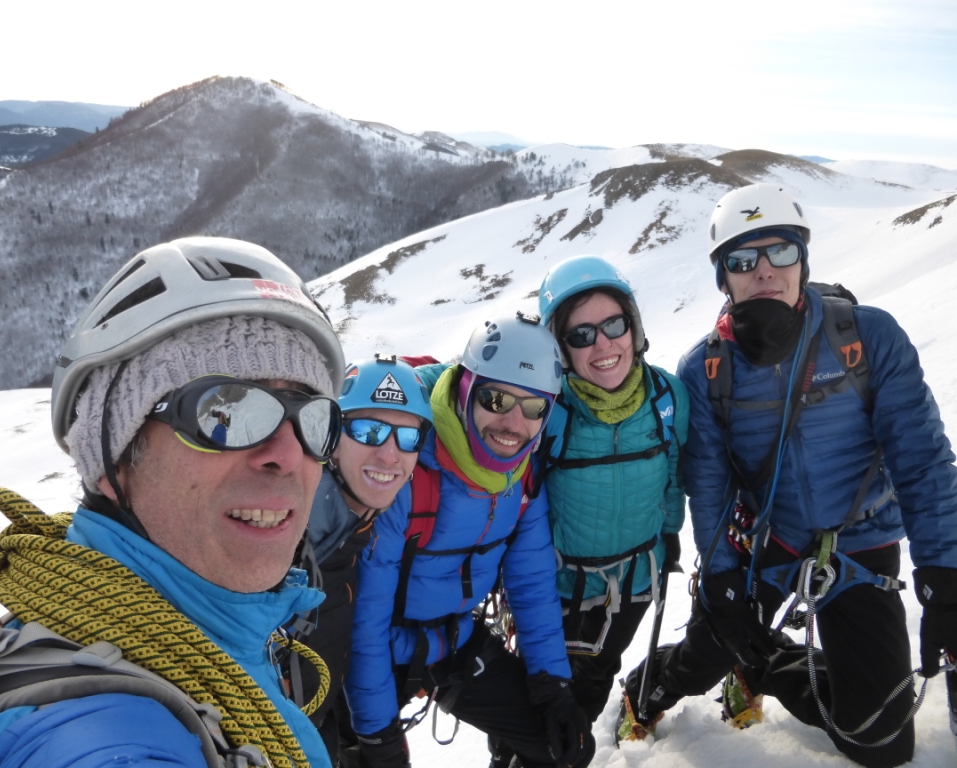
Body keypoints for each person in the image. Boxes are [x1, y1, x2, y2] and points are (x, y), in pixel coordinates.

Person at [0, 237, 345, 768]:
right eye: (225, 411)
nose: (288, 453)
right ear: (111, 459)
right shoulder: (100, 742)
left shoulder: (223, 636)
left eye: (315, 419)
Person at [618, 184, 957, 768]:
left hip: (860, 543)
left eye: (780, 252)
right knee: (708, 651)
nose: (765, 271)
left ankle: (765, 667)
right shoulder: (706, 369)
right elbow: (710, 487)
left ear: (804, 258)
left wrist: (945, 572)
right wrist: (722, 582)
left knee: (880, 741)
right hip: (765, 543)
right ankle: (647, 687)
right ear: (724, 278)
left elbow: (922, 460)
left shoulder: (867, 339)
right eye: (743, 260)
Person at [344, 314, 595, 768]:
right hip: (380, 650)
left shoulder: (522, 478)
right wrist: (378, 736)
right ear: (465, 390)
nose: (513, 423)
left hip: (453, 642)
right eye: (496, 398)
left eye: (534, 407)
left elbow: (533, 583)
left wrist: (552, 686)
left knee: (561, 750)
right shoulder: (406, 467)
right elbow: (366, 617)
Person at [535, 256, 688, 734]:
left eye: (614, 324)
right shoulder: (544, 406)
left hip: (635, 584)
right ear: (560, 347)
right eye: (581, 334)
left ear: (633, 326)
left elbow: (675, 475)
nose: (602, 344)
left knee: (594, 684)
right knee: (537, 708)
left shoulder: (668, 397)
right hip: (557, 593)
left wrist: (670, 539)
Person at [286, 356, 433, 766]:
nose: (389, 455)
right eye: (369, 431)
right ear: (331, 435)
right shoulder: (289, 539)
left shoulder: (352, 532)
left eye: (408, 438)